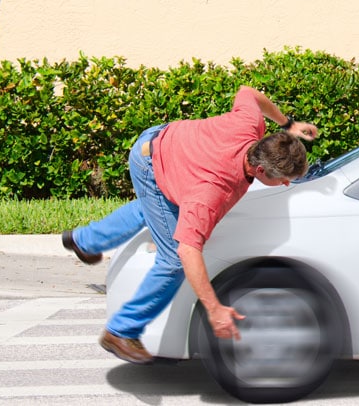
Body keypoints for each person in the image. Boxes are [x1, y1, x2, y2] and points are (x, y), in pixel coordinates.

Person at [61, 85, 318, 365]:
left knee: (154, 209)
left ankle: (84, 240)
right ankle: (121, 331)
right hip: (152, 162)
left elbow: (248, 93)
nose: (285, 184)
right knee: (171, 259)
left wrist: (288, 124)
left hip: (166, 141)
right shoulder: (211, 191)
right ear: (259, 169)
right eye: (282, 179)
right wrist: (214, 309)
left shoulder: (250, 125)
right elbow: (187, 251)